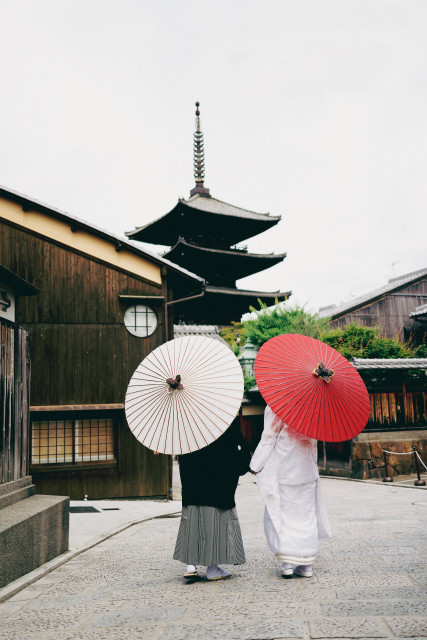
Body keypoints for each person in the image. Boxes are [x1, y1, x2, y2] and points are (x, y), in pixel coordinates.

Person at [249, 405, 331, 578]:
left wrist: (256, 464)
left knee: (285, 516)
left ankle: (288, 564)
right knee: (306, 515)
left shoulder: (277, 406)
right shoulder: (315, 407)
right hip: (307, 468)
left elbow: (268, 437)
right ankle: (306, 565)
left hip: (285, 468)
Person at [173, 417, 251, 581]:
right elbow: (240, 448)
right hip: (218, 484)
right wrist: (245, 465)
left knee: (192, 521)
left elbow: (180, 454)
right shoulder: (223, 420)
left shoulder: (187, 423)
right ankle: (213, 569)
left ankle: (191, 566)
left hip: (193, 483)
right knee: (215, 526)